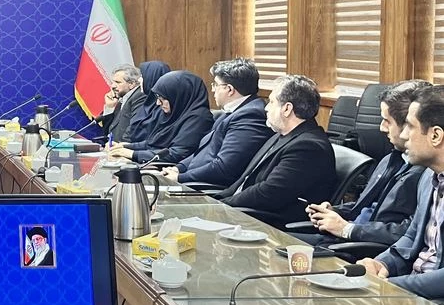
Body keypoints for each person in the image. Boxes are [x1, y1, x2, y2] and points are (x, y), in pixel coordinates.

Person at [292, 81, 428, 250]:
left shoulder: (426, 174)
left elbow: (408, 233)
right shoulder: (390, 159)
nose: (382, 128)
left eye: (387, 121)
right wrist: (335, 211)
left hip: (362, 249)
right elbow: (365, 206)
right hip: (342, 238)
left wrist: (347, 229)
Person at [216, 74, 336, 227]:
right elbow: (245, 180)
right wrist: (215, 200)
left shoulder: (308, 147)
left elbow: (268, 193)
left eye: (271, 102)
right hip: (242, 213)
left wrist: (222, 206)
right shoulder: (281, 135)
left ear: (287, 109)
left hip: (268, 223)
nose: (266, 108)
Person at [359, 85, 444, 299]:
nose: (404, 135)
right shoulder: (428, 177)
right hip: (409, 293)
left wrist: (390, 286)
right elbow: (412, 236)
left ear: (435, 135)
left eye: (410, 126)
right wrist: (382, 263)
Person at [161, 58, 269, 187]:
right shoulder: (234, 111)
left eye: (215, 85)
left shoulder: (251, 115)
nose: (212, 90)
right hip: (195, 179)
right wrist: (179, 168)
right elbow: (206, 151)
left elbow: (224, 168)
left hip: (208, 188)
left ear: (229, 89)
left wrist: (180, 177)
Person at [108, 70, 213, 164]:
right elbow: (153, 143)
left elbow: (177, 154)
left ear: (178, 96)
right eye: (158, 97)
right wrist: (125, 146)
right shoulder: (174, 114)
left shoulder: (199, 118)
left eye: (162, 98)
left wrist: (132, 154)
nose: (158, 103)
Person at [124, 61, 172, 143]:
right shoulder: (147, 104)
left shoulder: (163, 107)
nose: (139, 80)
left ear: (152, 78)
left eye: (142, 76)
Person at [96, 64, 143, 141]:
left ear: (131, 84)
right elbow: (108, 131)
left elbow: (134, 128)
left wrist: (121, 146)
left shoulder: (139, 96)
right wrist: (110, 107)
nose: (113, 86)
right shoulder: (122, 98)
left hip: (124, 146)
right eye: (113, 82)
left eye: (118, 82)